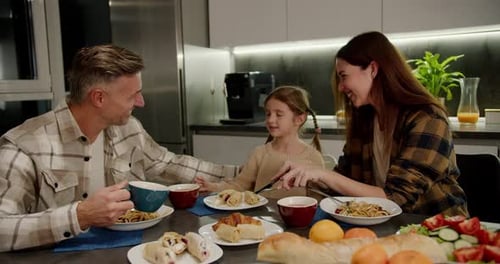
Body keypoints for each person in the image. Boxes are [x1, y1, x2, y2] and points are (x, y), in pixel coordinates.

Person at [0, 44, 239, 252]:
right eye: (132, 95)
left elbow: (166, 163)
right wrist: (80, 215)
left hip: (131, 250)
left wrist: (244, 175)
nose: (141, 102)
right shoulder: (24, 147)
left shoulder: (128, 128)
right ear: (99, 98)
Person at [273, 31, 468, 216]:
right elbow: (344, 181)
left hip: (436, 228)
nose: (340, 87)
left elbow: (396, 199)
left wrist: (322, 174)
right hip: (386, 227)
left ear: (373, 69)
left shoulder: (428, 119)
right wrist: (307, 173)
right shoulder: (365, 119)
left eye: (344, 76)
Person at [195, 86, 324, 199]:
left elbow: (318, 200)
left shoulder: (313, 157)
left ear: (299, 119)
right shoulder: (259, 153)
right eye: (268, 114)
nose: (270, 120)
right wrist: (213, 187)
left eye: (279, 114)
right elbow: (239, 186)